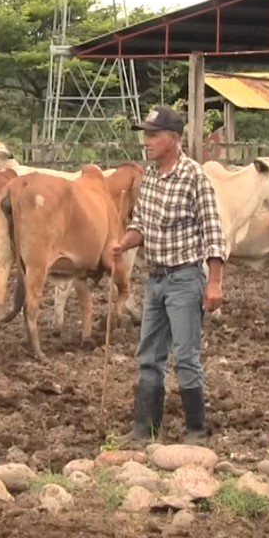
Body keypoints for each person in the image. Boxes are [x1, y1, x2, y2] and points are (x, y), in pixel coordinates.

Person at [111, 105, 228, 445]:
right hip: (156, 278)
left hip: (184, 277)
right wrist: (124, 243)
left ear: (173, 139)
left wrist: (215, 282)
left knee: (186, 355)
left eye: (153, 135)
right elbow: (141, 225)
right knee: (148, 355)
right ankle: (145, 428)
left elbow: (213, 232)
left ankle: (195, 430)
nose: (146, 141)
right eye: (145, 134)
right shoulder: (149, 177)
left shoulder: (194, 176)